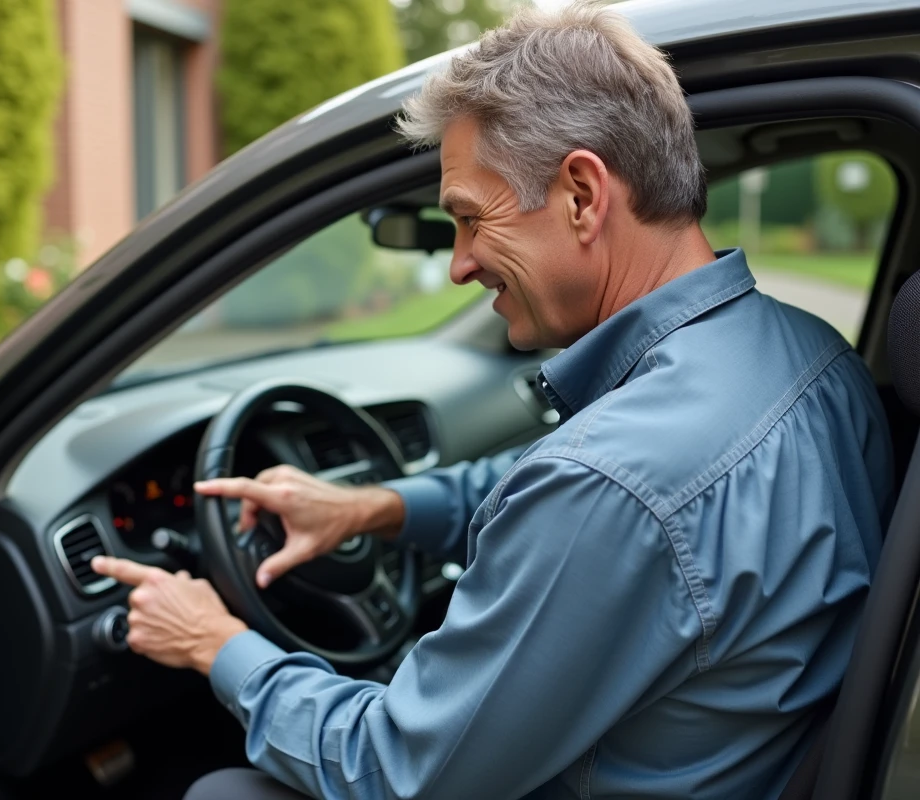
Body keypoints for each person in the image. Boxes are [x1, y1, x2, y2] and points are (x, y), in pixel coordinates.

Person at [90, 3, 895, 798]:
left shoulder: (609, 483)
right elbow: (566, 491)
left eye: (471, 219)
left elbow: (394, 772)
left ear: (582, 195)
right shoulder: (813, 356)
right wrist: (371, 507)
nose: (460, 264)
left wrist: (216, 644)